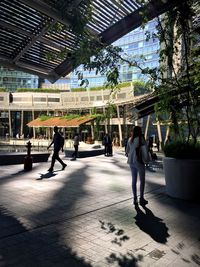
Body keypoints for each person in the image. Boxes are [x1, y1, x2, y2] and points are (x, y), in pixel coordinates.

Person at [126, 126, 148, 206]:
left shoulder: (129, 139)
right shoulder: (140, 139)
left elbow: (127, 151)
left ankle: (135, 198)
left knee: (134, 180)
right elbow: (145, 148)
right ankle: (141, 198)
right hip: (139, 161)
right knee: (142, 180)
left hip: (131, 161)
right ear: (139, 131)